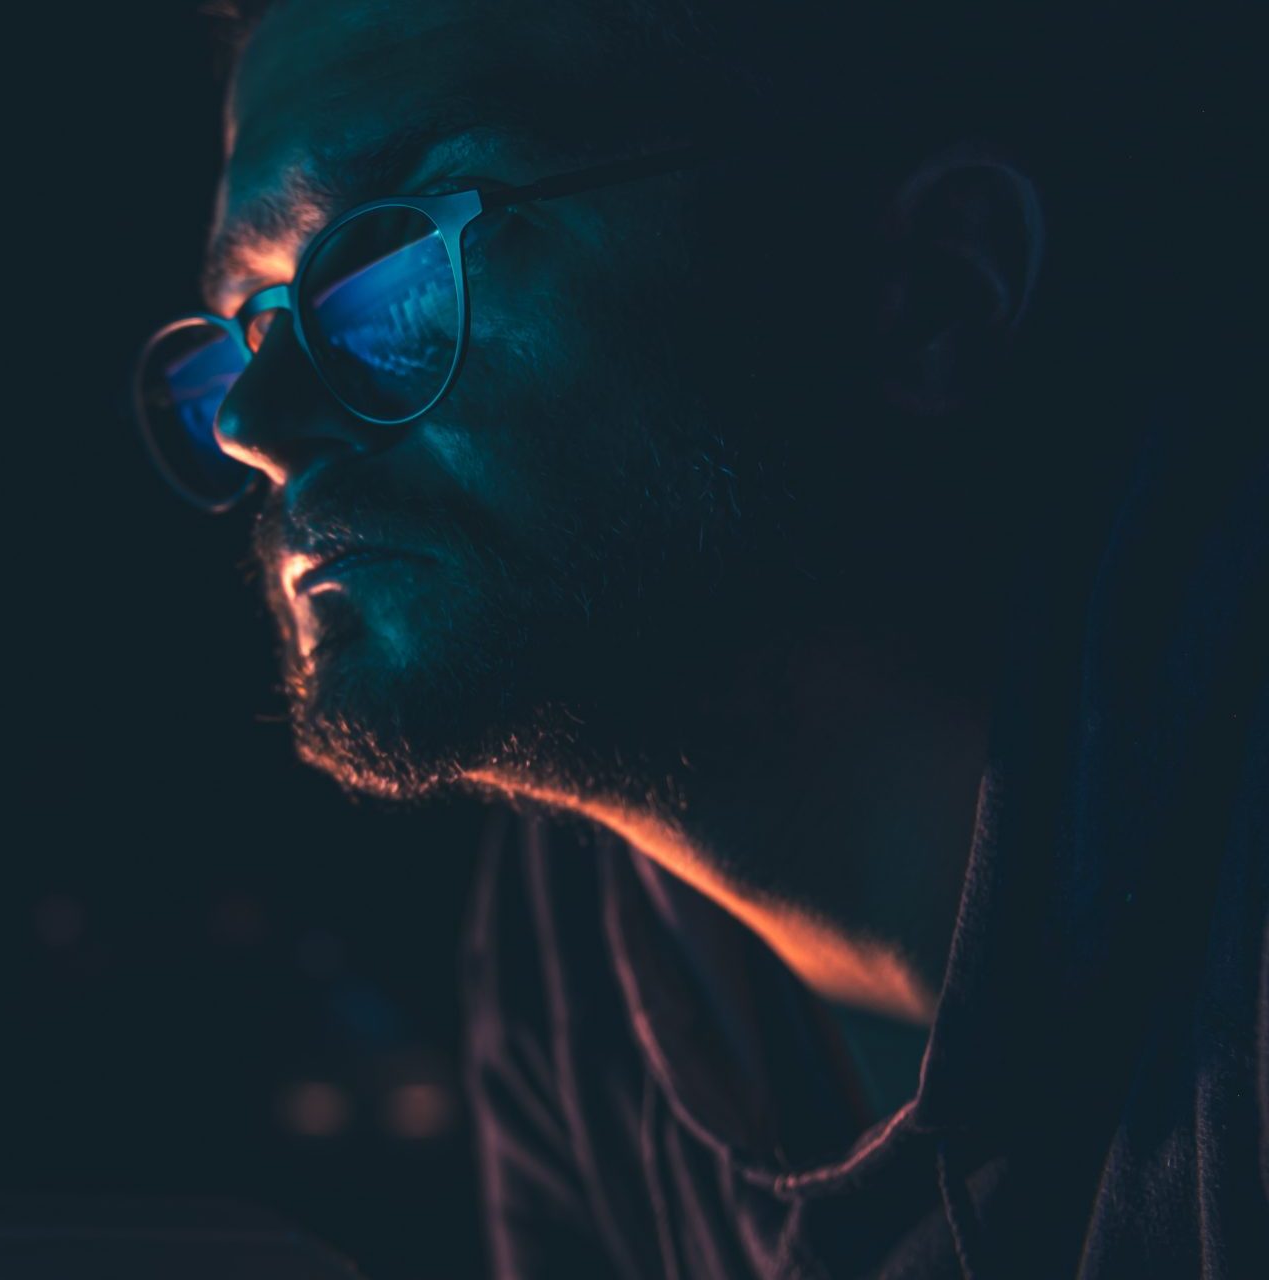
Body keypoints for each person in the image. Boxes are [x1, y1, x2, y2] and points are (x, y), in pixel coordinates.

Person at [129, 0, 1263, 1274]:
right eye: (248, 326)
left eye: (387, 275)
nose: (257, 423)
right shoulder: (577, 951)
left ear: (927, 293)